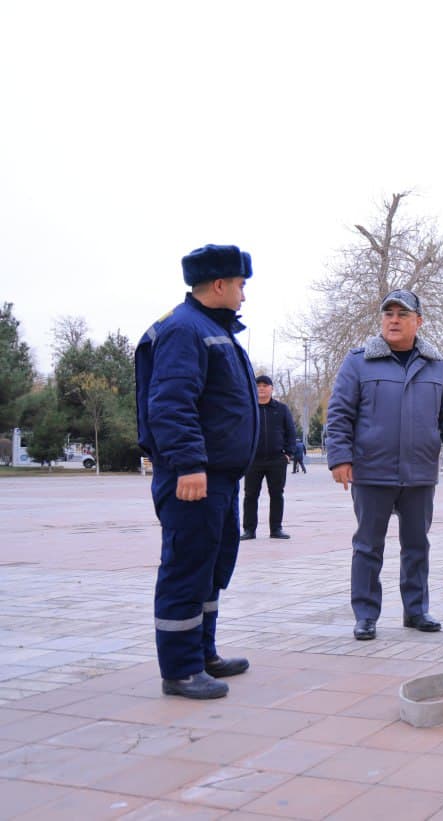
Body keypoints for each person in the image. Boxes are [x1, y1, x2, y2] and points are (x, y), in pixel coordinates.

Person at [134, 244, 257, 700]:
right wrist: (188, 465)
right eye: (241, 285)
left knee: (211, 567)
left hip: (218, 478)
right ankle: (181, 670)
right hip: (193, 478)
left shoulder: (209, 327)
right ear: (220, 284)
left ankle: (202, 654)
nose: (244, 294)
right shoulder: (185, 330)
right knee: (186, 569)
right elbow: (171, 402)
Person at [326, 289, 443, 641]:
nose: (393, 320)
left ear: (418, 321)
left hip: (419, 472)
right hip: (371, 470)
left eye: (402, 315)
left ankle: (416, 610)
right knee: (368, 546)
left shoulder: (436, 365)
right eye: (388, 314)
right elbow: (339, 413)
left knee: (417, 545)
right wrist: (339, 457)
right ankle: (365, 615)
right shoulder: (358, 362)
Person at [241, 375, 295, 540]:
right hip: (253, 460)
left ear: (272, 388)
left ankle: (276, 529)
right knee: (250, 495)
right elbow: (240, 431)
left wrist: (288, 453)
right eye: (258, 385)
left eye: (265, 385)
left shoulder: (282, 409)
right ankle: (249, 530)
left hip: (276, 459)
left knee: (277, 494)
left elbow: (291, 432)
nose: (262, 388)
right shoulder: (249, 408)